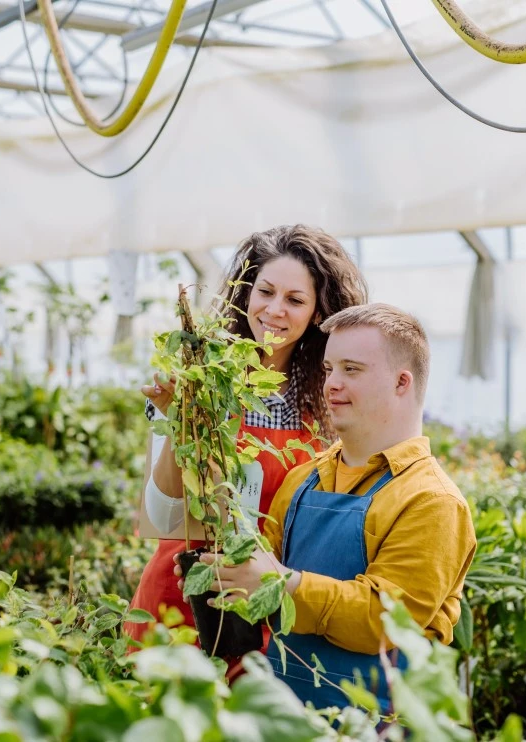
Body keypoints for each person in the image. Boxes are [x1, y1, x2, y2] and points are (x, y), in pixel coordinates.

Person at [183, 303, 477, 711]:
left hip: (377, 724)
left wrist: (280, 584)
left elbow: (386, 619)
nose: (331, 385)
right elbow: (259, 574)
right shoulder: (303, 478)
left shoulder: (431, 501)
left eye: (351, 370)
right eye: (328, 369)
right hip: (285, 715)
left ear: (401, 382)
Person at [125, 225, 368, 648]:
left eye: (295, 300)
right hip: (177, 600)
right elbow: (163, 517)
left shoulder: (326, 410)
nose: (275, 309)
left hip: (263, 614)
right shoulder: (199, 381)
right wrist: (184, 418)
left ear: (317, 313)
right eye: (266, 292)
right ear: (246, 295)